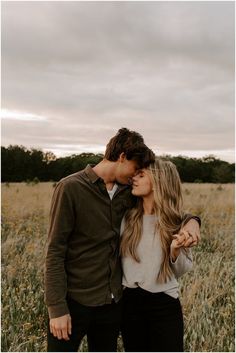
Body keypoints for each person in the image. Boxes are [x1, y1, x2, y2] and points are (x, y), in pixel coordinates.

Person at [44, 128, 200, 352]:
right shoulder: (71, 188)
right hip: (75, 302)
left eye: (141, 173)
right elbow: (55, 251)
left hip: (112, 305)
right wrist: (56, 308)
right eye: (135, 168)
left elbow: (166, 212)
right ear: (122, 157)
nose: (135, 176)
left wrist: (193, 221)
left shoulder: (126, 193)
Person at [120, 158, 200, 352]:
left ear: (158, 181)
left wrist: (174, 251)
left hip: (164, 306)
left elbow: (182, 270)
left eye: (141, 175)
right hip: (129, 304)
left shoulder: (176, 222)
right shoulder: (127, 218)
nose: (134, 179)